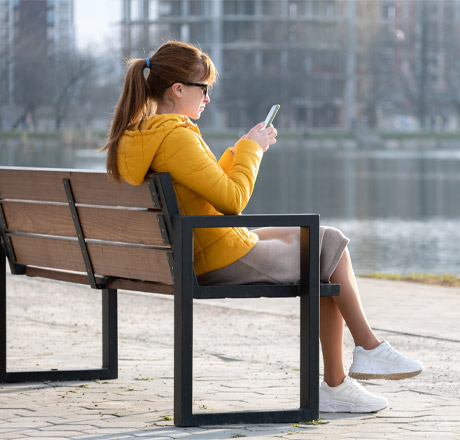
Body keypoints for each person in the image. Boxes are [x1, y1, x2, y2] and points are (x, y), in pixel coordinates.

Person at [102, 41, 423, 413]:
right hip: (217, 256)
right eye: (203, 87)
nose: (207, 97)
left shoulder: (137, 135)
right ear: (178, 89)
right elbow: (233, 200)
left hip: (191, 249)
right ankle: (361, 357)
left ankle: (353, 368)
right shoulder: (176, 134)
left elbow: (200, 189)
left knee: (322, 247)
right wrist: (253, 152)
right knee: (327, 242)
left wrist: (238, 151)